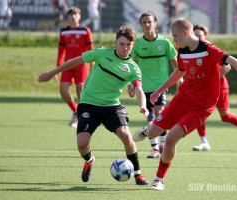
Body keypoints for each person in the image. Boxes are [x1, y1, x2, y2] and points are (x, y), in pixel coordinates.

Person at [133, 18, 237, 190]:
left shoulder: (208, 48)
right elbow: (179, 71)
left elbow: (233, 61)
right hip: (182, 99)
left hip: (202, 106)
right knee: (153, 132)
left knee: (170, 138)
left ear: (185, 33)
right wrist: (159, 90)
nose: (174, 40)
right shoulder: (182, 49)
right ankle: (149, 129)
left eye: (175, 36)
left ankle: (159, 179)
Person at [38, 25, 150, 186]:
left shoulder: (133, 68)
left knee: (125, 134)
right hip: (89, 104)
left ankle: (138, 175)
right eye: (121, 44)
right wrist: (52, 73)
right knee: (82, 144)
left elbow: (139, 89)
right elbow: (76, 61)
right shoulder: (101, 53)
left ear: (133, 45)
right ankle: (89, 161)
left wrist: (143, 105)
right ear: (115, 43)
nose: (125, 48)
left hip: (112, 106)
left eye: (128, 44)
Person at [192, 24, 237, 151]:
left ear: (205, 37)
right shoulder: (190, 49)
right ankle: (204, 142)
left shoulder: (210, 48)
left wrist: (210, 79)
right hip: (203, 88)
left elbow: (227, 66)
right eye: (195, 35)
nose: (198, 38)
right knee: (197, 111)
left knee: (225, 117)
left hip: (219, 86)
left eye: (200, 36)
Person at [129, 11, 181, 158]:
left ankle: (163, 145)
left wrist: (181, 78)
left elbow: (175, 61)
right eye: (144, 22)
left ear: (155, 23)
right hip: (144, 87)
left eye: (149, 22)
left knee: (159, 114)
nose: (147, 25)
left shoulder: (164, 42)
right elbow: (131, 64)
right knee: (150, 117)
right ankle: (154, 149)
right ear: (141, 25)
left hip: (161, 86)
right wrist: (129, 83)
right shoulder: (137, 45)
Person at [55, 7, 94, 128]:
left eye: (75, 14)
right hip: (67, 65)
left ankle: (79, 118)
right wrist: (58, 68)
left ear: (80, 16)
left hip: (81, 65)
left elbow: (90, 50)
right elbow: (61, 50)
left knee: (80, 91)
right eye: (71, 14)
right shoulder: (64, 31)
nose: (73, 16)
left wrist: (92, 65)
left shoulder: (85, 30)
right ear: (68, 16)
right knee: (63, 90)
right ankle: (76, 111)